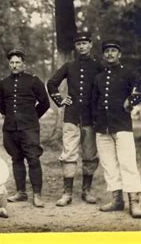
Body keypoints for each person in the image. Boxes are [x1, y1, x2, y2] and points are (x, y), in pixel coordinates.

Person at [91, 39, 141, 219]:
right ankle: (117, 200)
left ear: (119, 54)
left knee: (127, 162)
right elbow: (94, 102)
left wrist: (131, 100)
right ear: (103, 55)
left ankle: (134, 202)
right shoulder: (99, 77)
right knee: (109, 164)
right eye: (107, 51)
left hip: (122, 125)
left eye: (113, 51)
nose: (110, 54)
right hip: (103, 127)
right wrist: (95, 123)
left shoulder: (127, 72)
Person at [47, 32, 103, 206]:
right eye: (78, 44)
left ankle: (87, 191)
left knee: (90, 154)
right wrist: (60, 99)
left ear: (90, 45)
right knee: (69, 153)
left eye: (85, 43)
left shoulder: (99, 66)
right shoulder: (69, 66)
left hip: (91, 118)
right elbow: (51, 83)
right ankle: (67, 193)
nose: (82, 47)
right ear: (75, 47)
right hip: (71, 117)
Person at [0, 48, 50, 208]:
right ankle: (21, 192)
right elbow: (0, 106)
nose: (14, 65)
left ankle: (37, 195)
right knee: (16, 159)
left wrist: (32, 117)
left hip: (29, 128)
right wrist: (12, 118)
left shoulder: (33, 81)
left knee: (33, 159)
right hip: (10, 129)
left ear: (24, 64)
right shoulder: (3, 83)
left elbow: (45, 103)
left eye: (18, 62)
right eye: (12, 62)